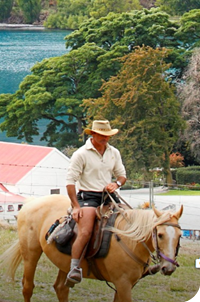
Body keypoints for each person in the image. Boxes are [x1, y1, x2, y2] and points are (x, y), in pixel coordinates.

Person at [65, 119, 127, 286]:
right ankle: (74, 267)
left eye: (107, 135)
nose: (105, 138)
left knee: (129, 220)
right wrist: (75, 206)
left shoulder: (114, 152)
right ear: (92, 134)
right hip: (88, 197)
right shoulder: (81, 154)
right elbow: (70, 182)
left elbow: (122, 175)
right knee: (85, 231)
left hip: (108, 196)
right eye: (101, 135)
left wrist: (117, 184)